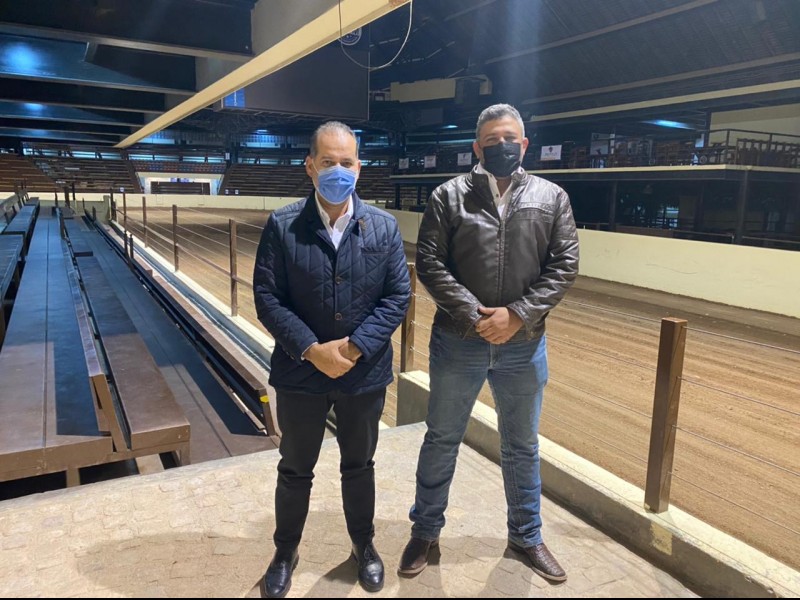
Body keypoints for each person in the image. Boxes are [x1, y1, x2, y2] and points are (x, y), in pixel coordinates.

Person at [398, 104, 579, 583]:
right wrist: (476, 315)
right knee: (442, 438)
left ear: (525, 143)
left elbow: (564, 266)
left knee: (522, 445)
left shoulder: (551, 196)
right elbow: (430, 263)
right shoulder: (447, 196)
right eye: (493, 139)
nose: (503, 145)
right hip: (460, 339)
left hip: (525, 343)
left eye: (511, 138)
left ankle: (527, 536)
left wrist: (517, 315)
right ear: (477, 147)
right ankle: (425, 532)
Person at [253, 121, 411, 598]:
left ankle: (363, 546)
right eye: (328, 162)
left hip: (363, 374)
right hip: (300, 373)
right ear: (310, 166)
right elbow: (267, 297)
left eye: (346, 162)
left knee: (359, 465)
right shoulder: (283, 225)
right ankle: (285, 551)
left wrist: (356, 346)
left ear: (358, 168)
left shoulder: (383, 227)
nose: (338, 171)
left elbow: (397, 296)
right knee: (294, 468)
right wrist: (310, 348)